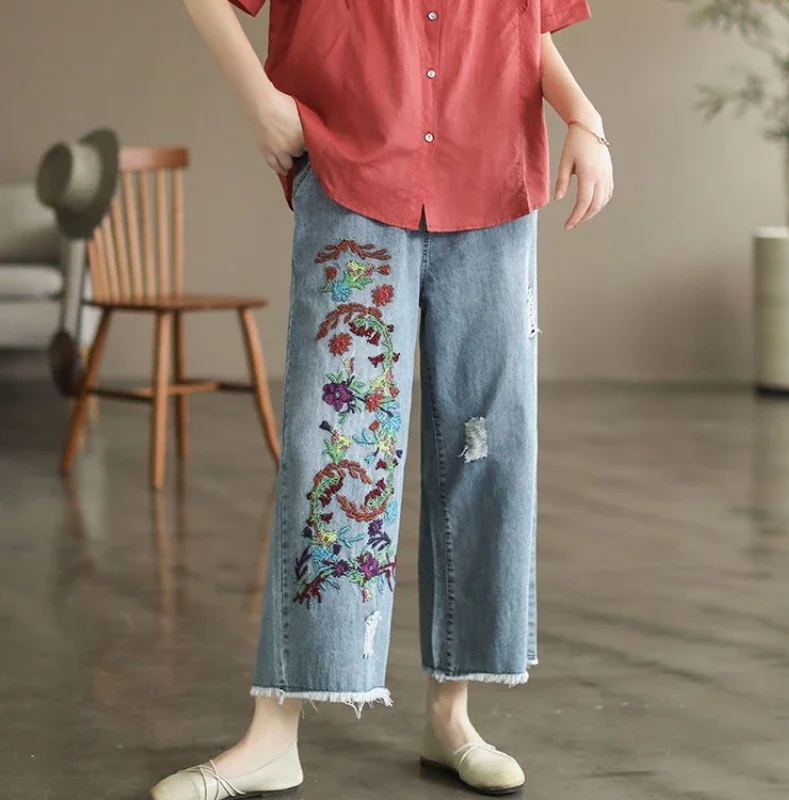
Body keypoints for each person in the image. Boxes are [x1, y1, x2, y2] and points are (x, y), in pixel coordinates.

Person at [152, 0, 613, 797]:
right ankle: (275, 732)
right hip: (354, 172)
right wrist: (262, 102)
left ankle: (451, 717)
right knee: (333, 446)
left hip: (492, 181)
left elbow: (517, 27)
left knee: (485, 446)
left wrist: (583, 115)